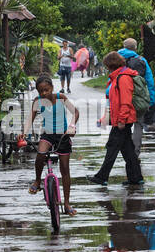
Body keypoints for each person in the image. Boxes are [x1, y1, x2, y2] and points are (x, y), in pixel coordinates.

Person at [88, 51, 144, 187]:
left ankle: (102, 176)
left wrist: (121, 120)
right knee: (127, 149)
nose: (106, 67)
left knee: (112, 147)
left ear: (111, 65)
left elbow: (125, 101)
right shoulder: (117, 77)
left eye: (107, 65)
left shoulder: (123, 78)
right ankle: (136, 177)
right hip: (120, 118)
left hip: (122, 119)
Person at [26, 75, 79, 215]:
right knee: (40, 155)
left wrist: (72, 126)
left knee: (65, 169)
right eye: (41, 91)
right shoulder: (37, 101)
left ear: (52, 88)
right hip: (47, 135)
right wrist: (23, 132)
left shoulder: (61, 97)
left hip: (63, 135)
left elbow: (76, 112)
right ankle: (37, 181)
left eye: (46, 90)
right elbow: (30, 118)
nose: (44, 93)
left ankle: (67, 204)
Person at [108, 37, 155, 152]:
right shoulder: (141, 60)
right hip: (138, 98)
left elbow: (111, 79)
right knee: (138, 124)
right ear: (135, 48)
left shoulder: (116, 60)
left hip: (121, 97)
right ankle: (135, 152)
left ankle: (124, 151)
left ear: (124, 47)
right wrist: (151, 101)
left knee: (124, 125)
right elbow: (149, 82)